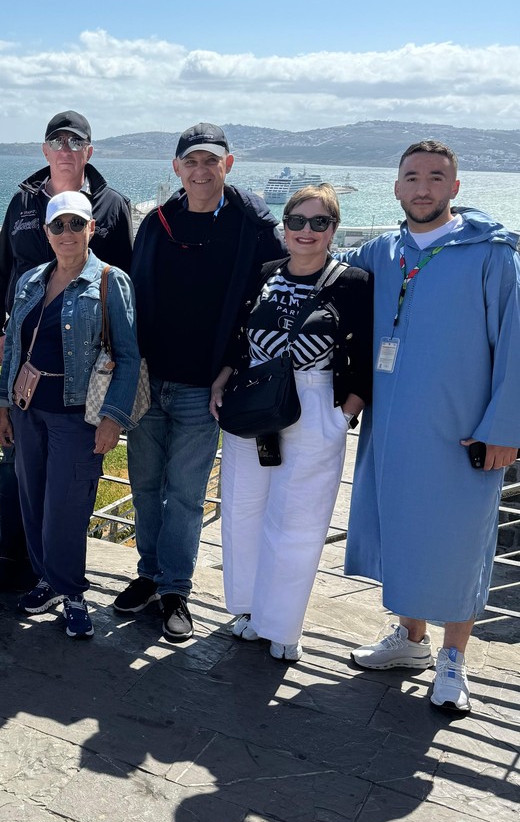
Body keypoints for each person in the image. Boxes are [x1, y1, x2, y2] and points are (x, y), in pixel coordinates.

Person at [342, 140, 520, 713]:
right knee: (403, 530)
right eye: (412, 177)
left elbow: (516, 345)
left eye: (436, 177)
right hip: (391, 425)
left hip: (462, 430)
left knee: (460, 541)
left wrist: (505, 427)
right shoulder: (378, 252)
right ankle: (411, 640)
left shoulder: (493, 256)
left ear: (456, 188)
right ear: (396, 187)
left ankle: (453, 660)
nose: (423, 187)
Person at [120, 122, 285, 642]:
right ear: (176, 169)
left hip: (202, 386)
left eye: (210, 161)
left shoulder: (251, 230)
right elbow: (130, 298)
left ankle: (176, 590)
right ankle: (149, 576)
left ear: (227, 166)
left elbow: (263, 308)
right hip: (149, 380)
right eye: (190, 161)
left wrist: (230, 369)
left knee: (187, 495)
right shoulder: (157, 224)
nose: (200, 170)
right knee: (145, 488)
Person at [210, 184, 373, 661]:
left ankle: (282, 625)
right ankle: (248, 609)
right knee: (242, 510)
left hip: (315, 399)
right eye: (297, 221)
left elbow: (364, 353)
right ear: (284, 228)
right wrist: (221, 381)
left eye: (318, 222)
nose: (306, 231)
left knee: (298, 519)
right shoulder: (264, 274)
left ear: (333, 229)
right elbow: (240, 338)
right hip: (252, 399)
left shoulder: (354, 283)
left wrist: (344, 415)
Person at [0, 110, 134, 592]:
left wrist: (112, 403)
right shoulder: (23, 201)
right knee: (20, 473)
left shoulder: (112, 205)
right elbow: (0, 266)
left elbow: (122, 286)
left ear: (89, 151)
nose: (66, 149)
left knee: (64, 487)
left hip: (79, 379)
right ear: (45, 150)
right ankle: (16, 558)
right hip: (23, 365)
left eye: (76, 142)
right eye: (57, 141)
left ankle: (60, 581)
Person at [0, 191, 140, 639]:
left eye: (76, 224)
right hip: (27, 409)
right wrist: (3, 408)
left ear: (91, 229)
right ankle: (48, 581)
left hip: (78, 415)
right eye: (58, 226)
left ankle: (73, 593)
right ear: (47, 233)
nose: (67, 234)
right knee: (33, 501)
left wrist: (113, 417)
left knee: (68, 507)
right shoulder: (32, 279)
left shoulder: (110, 281)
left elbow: (129, 357)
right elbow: (15, 348)